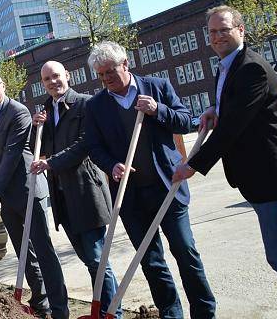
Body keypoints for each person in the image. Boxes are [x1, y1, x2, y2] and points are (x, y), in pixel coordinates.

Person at [174, 5, 277, 319]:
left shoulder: (251, 68)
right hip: (261, 175)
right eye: (212, 32)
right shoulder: (228, 66)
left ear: (241, 30)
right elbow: (236, 108)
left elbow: (233, 127)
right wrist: (214, 109)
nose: (218, 36)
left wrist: (192, 165)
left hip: (271, 176)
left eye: (224, 30)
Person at [84, 41, 215, 319]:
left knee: (185, 252)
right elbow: (94, 147)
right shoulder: (96, 106)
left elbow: (185, 121)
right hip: (130, 197)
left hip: (168, 186)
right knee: (151, 261)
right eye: (101, 75)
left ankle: (204, 312)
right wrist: (112, 165)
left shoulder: (157, 87)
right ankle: (171, 314)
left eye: (110, 71)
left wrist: (158, 110)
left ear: (125, 64)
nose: (106, 79)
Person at [30, 61, 121, 319]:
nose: (53, 82)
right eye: (47, 79)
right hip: (62, 197)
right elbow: (38, 148)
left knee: (97, 260)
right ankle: (103, 311)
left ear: (67, 76)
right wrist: (35, 129)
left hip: (85, 192)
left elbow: (84, 145)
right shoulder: (47, 110)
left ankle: (112, 313)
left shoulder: (85, 104)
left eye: (56, 76)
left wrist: (51, 163)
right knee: (88, 260)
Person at [0, 71, 68, 319]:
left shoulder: (18, 112)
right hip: (7, 195)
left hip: (28, 191)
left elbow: (11, 156)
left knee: (43, 250)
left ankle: (59, 309)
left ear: (3, 85)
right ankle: (40, 302)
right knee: (24, 252)